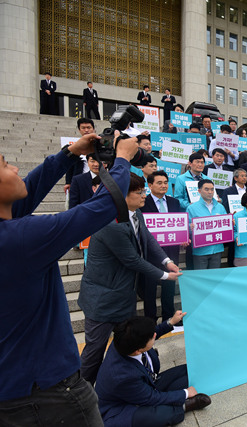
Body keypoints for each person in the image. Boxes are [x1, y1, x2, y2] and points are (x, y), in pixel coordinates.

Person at [0, 132, 140, 425]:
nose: (15, 168)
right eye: (4, 165)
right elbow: (100, 208)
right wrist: (123, 159)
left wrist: (69, 153)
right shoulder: (18, 239)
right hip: (48, 391)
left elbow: (30, 189)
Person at [78, 173, 182, 385]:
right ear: (121, 196)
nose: (144, 195)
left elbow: (148, 239)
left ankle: (125, 382)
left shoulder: (136, 213)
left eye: (144, 190)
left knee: (129, 341)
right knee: (95, 349)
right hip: (103, 298)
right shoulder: (110, 223)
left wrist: (167, 261)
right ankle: (82, 390)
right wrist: (164, 275)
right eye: (139, 192)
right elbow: (132, 260)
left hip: (125, 295)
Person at [95, 315, 211, 427]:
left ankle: (174, 399)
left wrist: (171, 322)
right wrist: (185, 393)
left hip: (145, 384)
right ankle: (184, 406)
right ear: (138, 350)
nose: (155, 334)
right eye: (152, 337)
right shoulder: (123, 375)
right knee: (162, 414)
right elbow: (151, 398)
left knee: (188, 371)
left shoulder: (126, 339)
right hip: (121, 408)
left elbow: (150, 333)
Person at [140, 171, 182, 321]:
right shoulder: (143, 203)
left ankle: (168, 318)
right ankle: (150, 320)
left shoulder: (174, 202)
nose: (163, 185)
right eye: (159, 183)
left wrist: (183, 236)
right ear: (150, 185)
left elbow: (178, 224)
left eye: (165, 182)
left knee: (169, 287)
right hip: (150, 252)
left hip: (171, 250)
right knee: (149, 289)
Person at [187, 179, 228, 269]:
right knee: (201, 276)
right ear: (199, 191)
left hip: (217, 249)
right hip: (200, 250)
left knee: (214, 276)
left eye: (212, 189)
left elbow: (226, 226)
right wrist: (189, 228)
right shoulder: (192, 208)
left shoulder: (220, 207)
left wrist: (230, 223)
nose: (210, 192)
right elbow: (186, 229)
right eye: (206, 189)